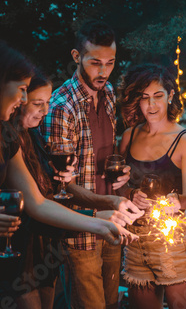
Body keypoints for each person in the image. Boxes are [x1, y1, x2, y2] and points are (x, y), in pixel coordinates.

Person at [0, 40, 131, 309]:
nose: (24, 101)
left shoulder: (3, 133)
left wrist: (99, 225)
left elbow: (37, 203)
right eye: (22, 90)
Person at [0, 71, 141, 308]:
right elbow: (35, 206)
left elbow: (50, 195)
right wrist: (100, 217)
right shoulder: (5, 140)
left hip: (44, 248)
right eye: (37, 103)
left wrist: (64, 179)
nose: (45, 111)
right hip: (19, 250)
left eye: (47, 103)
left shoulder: (34, 136)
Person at [40, 19, 132, 309]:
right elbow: (61, 185)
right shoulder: (60, 107)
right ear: (76, 57)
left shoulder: (108, 94)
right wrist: (109, 202)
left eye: (110, 62)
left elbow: (104, 158)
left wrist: (123, 174)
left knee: (112, 303)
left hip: (111, 224)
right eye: (95, 63)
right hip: (80, 232)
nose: (103, 71)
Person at [118, 64, 186, 309]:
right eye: (144, 99)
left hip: (174, 243)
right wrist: (131, 194)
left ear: (170, 95)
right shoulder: (128, 136)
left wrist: (177, 201)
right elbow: (115, 187)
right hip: (135, 243)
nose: (151, 106)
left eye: (158, 96)